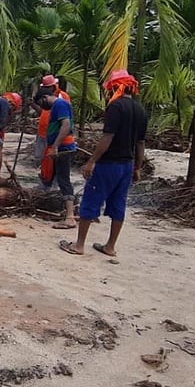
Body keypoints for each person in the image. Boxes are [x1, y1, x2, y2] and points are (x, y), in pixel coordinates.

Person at [59, 69, 148, 256]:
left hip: (109, 164)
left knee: (91, 201)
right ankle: (110, 246)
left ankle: (79, 245)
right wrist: (138, 167)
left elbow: (108, 137)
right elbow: (140, 143)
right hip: (127, 165)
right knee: (118, 205)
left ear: (115, 87)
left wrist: (91, 161)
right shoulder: (140, 110)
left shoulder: (115, 107)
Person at [35, 83, 77, 229]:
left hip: (63, 147)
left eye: (41, 102)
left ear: (45, 97)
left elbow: (66, 125)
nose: (42, 107)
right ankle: (62, 209)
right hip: (61, 146)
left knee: (63, 179)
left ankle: (70, 217)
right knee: (56, 177)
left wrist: (55, 146)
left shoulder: (60, 104)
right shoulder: (57, 106)